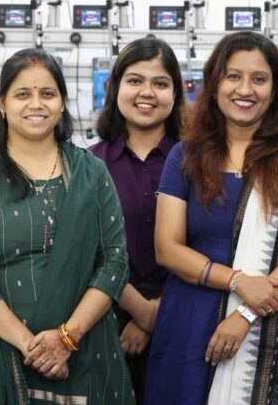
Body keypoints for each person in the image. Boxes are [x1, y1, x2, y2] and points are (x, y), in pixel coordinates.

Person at [145, 31, 278, 404]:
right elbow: (167, 248)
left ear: (275, 90)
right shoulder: (185, 156)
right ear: (214, 84)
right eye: (233, 76)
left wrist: (247, 312)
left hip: (277, 315)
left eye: (259, 79)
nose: (245, 89)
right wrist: (237, 281)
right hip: (193, 317)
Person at [0, 49, 133, 404]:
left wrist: (66, 338)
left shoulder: (91, 172)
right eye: (22, 94)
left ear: (61, 104)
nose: (36, 104)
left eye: (48, 93)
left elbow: (115, 262)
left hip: (87, 348)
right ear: (2, 103)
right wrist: (31, 345)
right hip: (2, 349)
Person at [90, 36, 185, 403]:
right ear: (115, 87)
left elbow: (209, 243)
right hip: (106, 318)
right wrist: (140, 311)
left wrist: (157, 313)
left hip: (183, 317)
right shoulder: (88, 165)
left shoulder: (200, 162)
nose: (147, 92)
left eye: (160, 83)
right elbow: (87, 250)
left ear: (175, 93)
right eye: (135, 80)